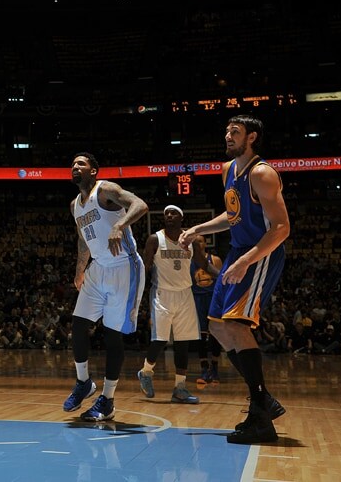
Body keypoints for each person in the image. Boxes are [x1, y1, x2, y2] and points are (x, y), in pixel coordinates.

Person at [178, 115, 290, 444]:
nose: (228, 136)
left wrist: (245, 260)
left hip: (260, 253)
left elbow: (282, 228)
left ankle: (260, 417)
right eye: (227, 131)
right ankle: (263, 399)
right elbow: (233, 215)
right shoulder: (228, 169)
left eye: (235, 132)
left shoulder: (262, 173)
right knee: (216, 326)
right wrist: (198, 228)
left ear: (251, 137)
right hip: (238, 251)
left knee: (237, 325)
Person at [62, 152, 148, 422]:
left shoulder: (106, 189)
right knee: (78, 324)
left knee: (113, 336)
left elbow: (140, 204)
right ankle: (83, 382)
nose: (75, 166)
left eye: (81, 164)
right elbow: (83, 240)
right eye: (73, 164)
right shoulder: (75, 205)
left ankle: (108, 400)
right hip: (97, 267)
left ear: (93, 171)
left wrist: (119, 225)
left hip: (124, 266)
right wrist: (79, 271)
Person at [136, 205, 200, 404]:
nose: (169, 215)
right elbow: (145, 267)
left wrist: (223, 276)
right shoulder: (155, 239)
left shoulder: (191, 240)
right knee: (160, 339)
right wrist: (135, 292)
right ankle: (146, 372)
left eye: (173, 213)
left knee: (183, 342)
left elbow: (204, 264)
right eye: (166, 214)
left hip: (185, 294)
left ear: (181, 218)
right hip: (162, 293)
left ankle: (180, 388)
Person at [191, 244, 224, 384]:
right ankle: (204, 369)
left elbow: (221, 280)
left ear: (205, 243)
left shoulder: (215, 259)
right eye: (196, 241)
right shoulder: (189, 260)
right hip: (197, 299)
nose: (198, 243)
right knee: (201, 336)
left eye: (200, 241)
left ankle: (214, 368)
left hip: (213, 298)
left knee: (216, 333)